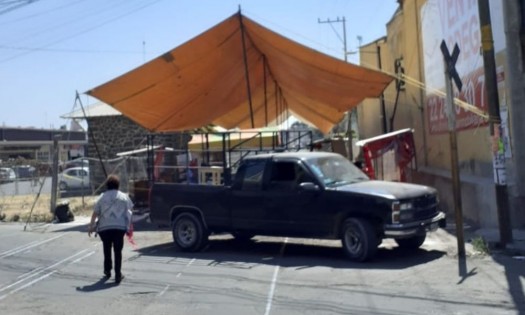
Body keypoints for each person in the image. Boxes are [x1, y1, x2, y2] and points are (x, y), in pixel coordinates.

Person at [88, 175, 133, 284]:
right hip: (119, 228)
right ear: (118, 185)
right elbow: (130, 211)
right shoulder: (124, 197)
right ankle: (118, 274)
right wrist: (128, 226)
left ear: (107, 185)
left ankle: (107, 271)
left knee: (106, 248)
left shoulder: (101, 197)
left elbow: (95, 213)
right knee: (118, 251)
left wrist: (91, 226)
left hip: (105, 228)